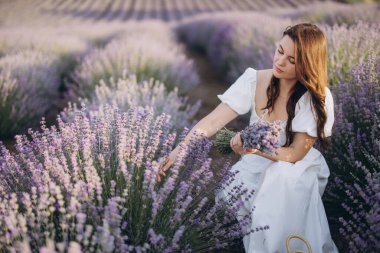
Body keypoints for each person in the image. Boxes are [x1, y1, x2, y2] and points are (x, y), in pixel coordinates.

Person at [156, 23, 339, 253]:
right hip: (257, 164)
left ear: (307, 64)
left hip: (294, 168)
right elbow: (212, 122)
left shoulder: (316, 97)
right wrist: (180, 151)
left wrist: (252, 146)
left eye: (292, 60)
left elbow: (294, 154)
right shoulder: (255, 80)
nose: (279, 62)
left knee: (281, 179)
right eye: (280, 51)